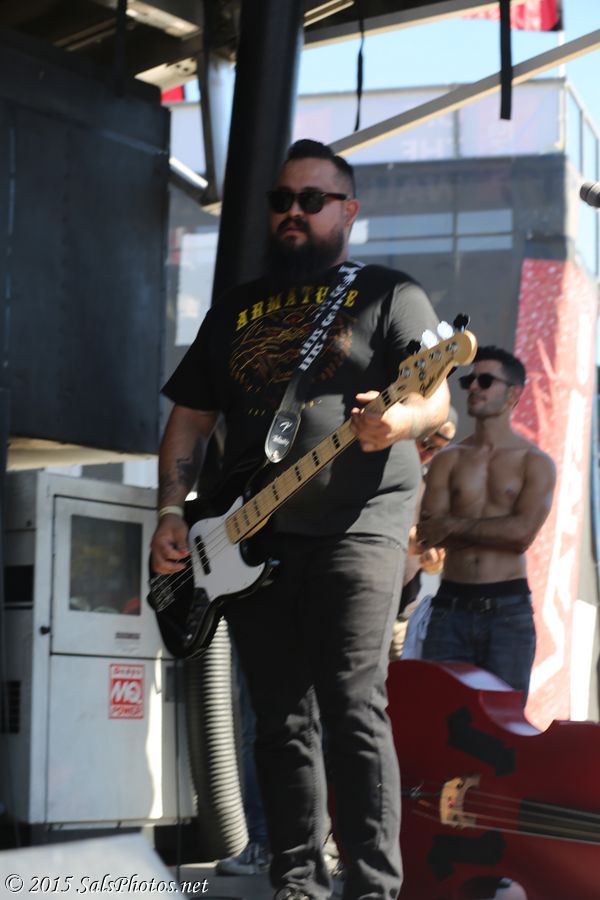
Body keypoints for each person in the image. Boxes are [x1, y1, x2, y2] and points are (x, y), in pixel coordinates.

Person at [151, 138, 449, 900]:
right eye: (281, 200)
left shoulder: (389, 293)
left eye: (311, 201)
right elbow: (189, 421)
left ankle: (373, 888)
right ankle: (297, 884)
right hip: (250, 533)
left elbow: (435, 395)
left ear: (348, 212)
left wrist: (401, 422)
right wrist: (173, 510)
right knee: (278, 717)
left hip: (359, 523)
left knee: (352, 705)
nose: (292, 212)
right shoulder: (236, 308)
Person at [416, 346, 556, 704]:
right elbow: (429, 534)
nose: (474, 387)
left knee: (501, 726)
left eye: (486, 380)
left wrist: (453, 525)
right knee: (439, 717)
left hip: (508, 612)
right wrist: (496, 529)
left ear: (513, 394)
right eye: (470, 380)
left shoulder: (535, 462)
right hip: (450, 606)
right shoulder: (448, 459)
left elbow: (521, 535)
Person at [389, 408, 457, 661]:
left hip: (401, 615)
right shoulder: (387, 470)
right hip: (366, 602)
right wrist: (407, 541)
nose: (428, 453)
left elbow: (433, 566)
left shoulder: (433, 489)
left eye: (437, 450)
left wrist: (433, 562)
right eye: (426, 442)